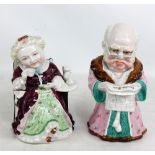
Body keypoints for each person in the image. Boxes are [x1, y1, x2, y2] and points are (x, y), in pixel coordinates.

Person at [11, 35, 76, 143]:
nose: (32, 60)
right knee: (39, 110)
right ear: (19, 60)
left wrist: (56, 82)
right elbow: (16, 85)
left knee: (55, 108)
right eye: (25, 58)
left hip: (51, 94)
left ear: (42, 49)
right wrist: (23, 77)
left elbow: (57, 77)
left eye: (35, 54)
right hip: (32, 96)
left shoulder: (49, 65)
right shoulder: (20, 70)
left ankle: (56, 127)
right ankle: (37, 132)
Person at [87, 23, 147, 142]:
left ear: (134, 50)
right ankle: (102, 127)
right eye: (114, 50)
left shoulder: (137, 69)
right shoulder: (98, 68)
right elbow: (92, 81)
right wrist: (100, 86)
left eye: (127, 52)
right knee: (104, 118)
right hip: (105, 109)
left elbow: (143, 81)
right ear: (104, 46)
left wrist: (138, 86)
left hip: (129, 108)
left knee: (130, 121)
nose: (120, 56)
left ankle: (130, 130)